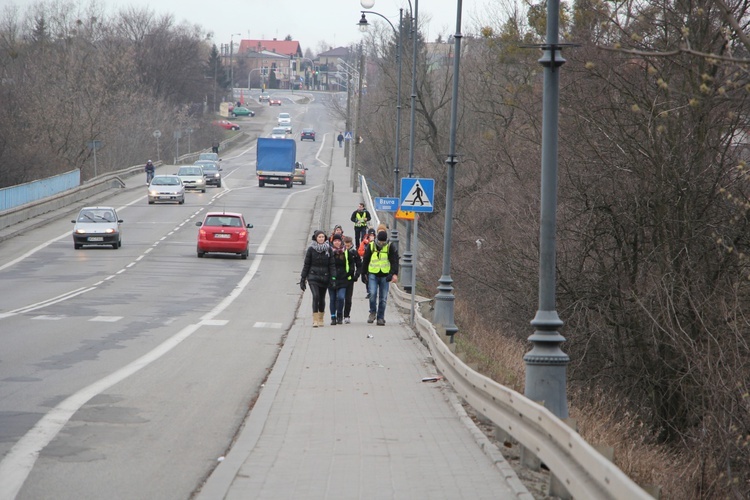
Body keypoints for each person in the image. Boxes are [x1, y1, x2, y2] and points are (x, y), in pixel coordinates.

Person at [361, 230, 399, 326]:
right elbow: (366, 260)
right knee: (372, 294)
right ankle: (372, 312)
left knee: (383, 298)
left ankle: (380, 317)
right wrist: (363, 273)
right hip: (373, 273)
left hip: (385, 275)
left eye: (383, 241)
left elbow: (394, 261)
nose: (382, 243)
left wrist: (393, 274)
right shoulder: (371, 245)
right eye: (380, 241)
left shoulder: (390, 246)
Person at [300, 230, 336, 328]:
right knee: (315, 296)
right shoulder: (311, 249)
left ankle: (321, 318)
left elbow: (332, 265)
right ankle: (315, 320)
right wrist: (303, 278)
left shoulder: (329, 249)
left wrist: (333, 278)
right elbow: (306, 264)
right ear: (316, 238)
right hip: (313, 276)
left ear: (325, 238)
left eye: (322, 237)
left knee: (322, 298)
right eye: (319, 237)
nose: (321, 238)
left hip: (325, 277)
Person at [327, 233, 358, 325]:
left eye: (338, 241)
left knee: (341, 298)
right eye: (335, 241)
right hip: (331, 279)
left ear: (341, 242)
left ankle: (340, 314)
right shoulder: (329, 252)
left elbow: (352, 265)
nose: (337, 242)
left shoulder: (346, 252)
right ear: (332, 242)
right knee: (332, 299)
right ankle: (333, 317)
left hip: (343, 279)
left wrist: (350, 274)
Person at [342, 236, 361, 324]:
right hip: (340, 278)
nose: (347, 246)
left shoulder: (354, 252)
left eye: (348, 245)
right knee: (340, 298)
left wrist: (356, 275)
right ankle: (339, 314)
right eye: (346, 245)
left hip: (350, 279)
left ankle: (346, 315)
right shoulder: (340, 252)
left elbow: (359, 265)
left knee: (348, 298)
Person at [358, 227, 376, 298]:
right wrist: (366, 253)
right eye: (370, 235)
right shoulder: (364, 243)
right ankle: (369, 291)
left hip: (374, 263)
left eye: (373, 235)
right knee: (366, 278)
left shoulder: (376, 243)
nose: (372, 236)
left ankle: (372, 291)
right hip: (366, 262)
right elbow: (360, 251)